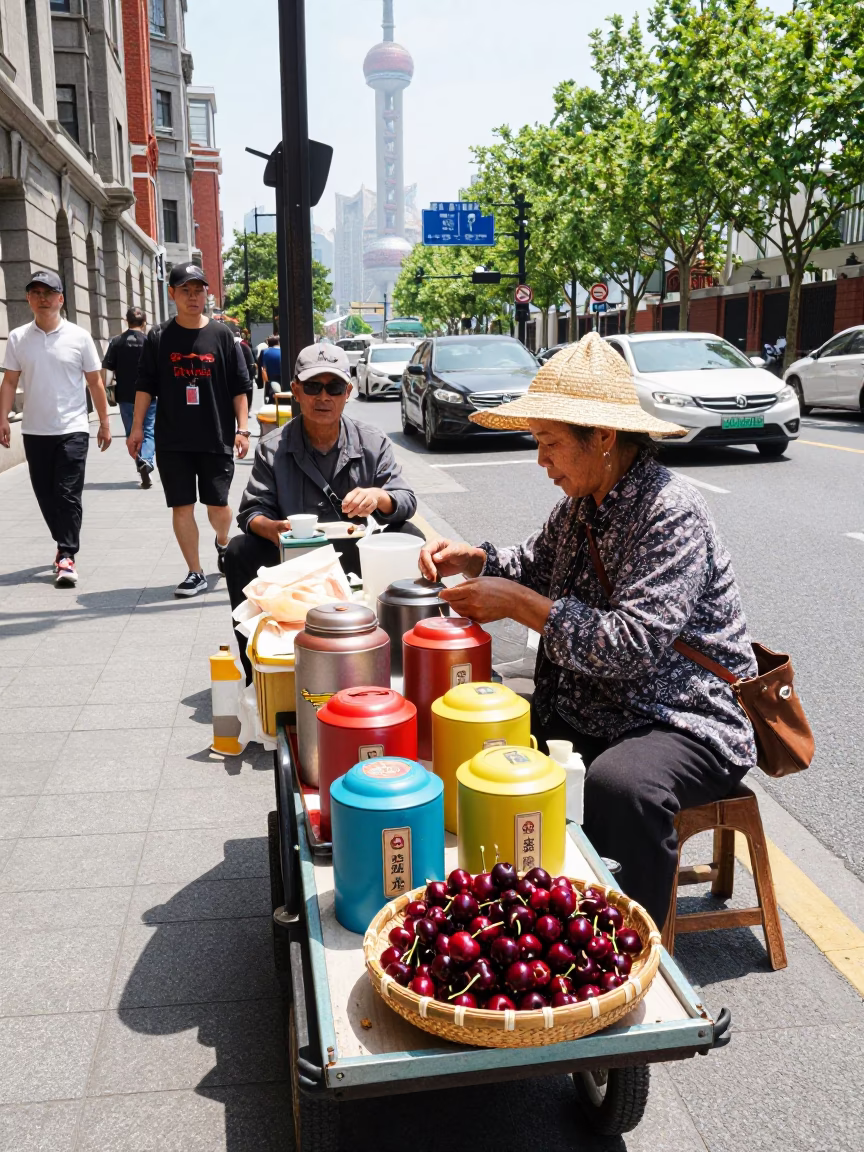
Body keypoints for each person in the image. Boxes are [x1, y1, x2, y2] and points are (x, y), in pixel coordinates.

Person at [419, 333, 757, 929]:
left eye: (549, 444)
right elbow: (534, 563)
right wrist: (475, 559)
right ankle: (531, 913)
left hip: (682, 714)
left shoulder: (669, 511)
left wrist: (521, 605)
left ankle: (631, 955)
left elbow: (630, 645)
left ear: (602, 437)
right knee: (485, 737)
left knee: (619, 787)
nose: (542, 461)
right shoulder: (583, 501)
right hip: (592, 703)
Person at [224, 342, 420, 679]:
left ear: (348, 392)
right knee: (239, 550)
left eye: (333, 387)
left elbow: (405, 499)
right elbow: (251, 511)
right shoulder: (274, 447)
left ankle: (405, 659)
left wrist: (378, 497)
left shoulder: (372, 442)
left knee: (411, 537)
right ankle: (259, 674)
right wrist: (271, 528)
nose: (323, 397)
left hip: (357, 556)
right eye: (313, 386)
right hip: (292, 562)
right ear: (296, 391)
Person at [128, 264, 250, 598]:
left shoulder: (223, 335)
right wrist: (137, 428)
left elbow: (240, 388)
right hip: (172, 439)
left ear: (207, 293)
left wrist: (243, 429)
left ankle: (223, 543)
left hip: (216, 435)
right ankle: (195, 571)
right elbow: (145, 386)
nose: (193, 296)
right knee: (181, 506)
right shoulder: (158, 337)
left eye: (199, 290)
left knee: (219, 507)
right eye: (185, 290)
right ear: (172, 294)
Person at [0, 269, 111, 586]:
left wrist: (104, 423)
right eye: (36, 292)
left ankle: (66, 555)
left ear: (61, 299)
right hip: (35, 431)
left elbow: (95, 383)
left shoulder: (79, 337)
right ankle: (62, 541)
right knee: (46, 496)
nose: (42, 298)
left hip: (73, 429)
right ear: (28, 299)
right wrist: (3, 419)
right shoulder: (19, 338)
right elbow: (9, 381)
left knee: (66, 493)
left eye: (48, 293)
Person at [103, 307, 154, 487]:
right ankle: (146, 460)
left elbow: (108, 371)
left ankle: (141, 462)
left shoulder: (117, 342)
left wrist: (108, 390)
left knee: (131, 431)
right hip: (148, 395)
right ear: (144, 323)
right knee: (148, 429)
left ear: (127, 321)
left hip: (125, 396)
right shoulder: (149, 342)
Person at [235, 329, 256, 415]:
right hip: (246, 374)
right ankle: (246, 409)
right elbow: (252, 362)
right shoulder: (245, 345)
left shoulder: (240, 345)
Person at [259, 335, 281, 402]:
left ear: (268, 344)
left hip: (271, 379)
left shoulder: (265, 352)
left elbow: (262, 369)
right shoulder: (285, 351)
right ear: (278, 343)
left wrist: (262, 383)